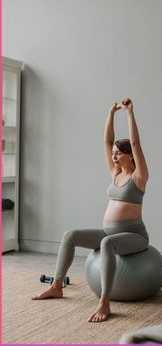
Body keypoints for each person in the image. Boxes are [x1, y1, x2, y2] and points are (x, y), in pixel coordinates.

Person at [32, 98, 149, 323]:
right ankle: (57, 285)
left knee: (107, 244)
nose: (114, 156)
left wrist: (129, 112)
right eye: (113, 153)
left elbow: (136, 144)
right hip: (109, 232)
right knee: (70, 235)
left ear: (130, 156)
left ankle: (105, 301)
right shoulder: (115, 174)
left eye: (118, 153)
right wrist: (111, 112)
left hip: (135, 236)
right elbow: (106, 141)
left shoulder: (139, 177)